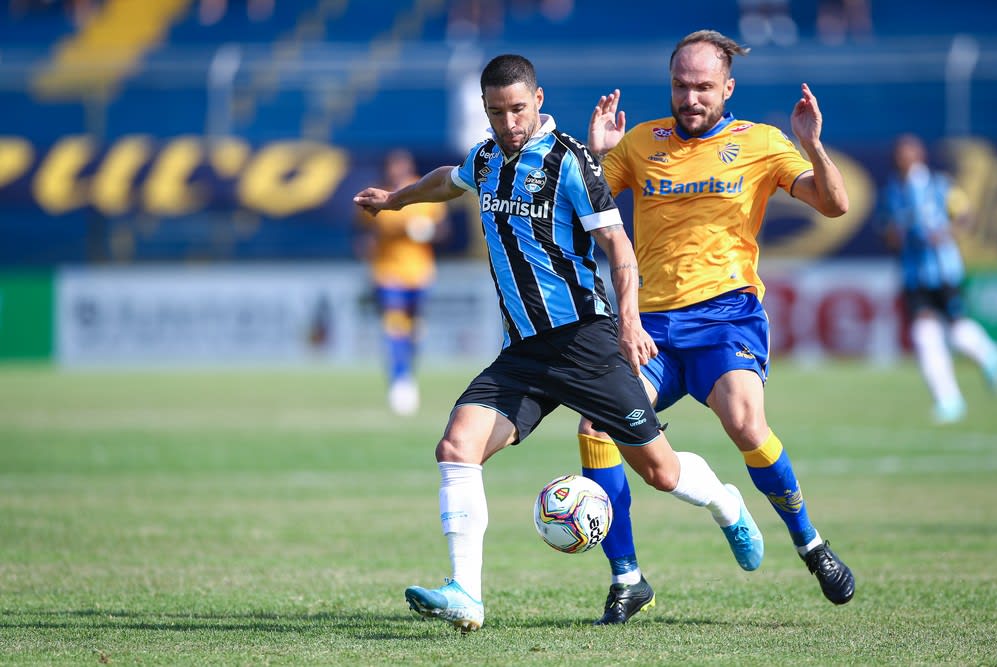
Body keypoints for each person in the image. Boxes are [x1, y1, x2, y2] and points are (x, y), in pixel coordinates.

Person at [354, 53, 763, 633]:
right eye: (496, 112)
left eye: (518, 109)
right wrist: (396, 199)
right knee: (456, 449)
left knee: (660, 472)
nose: (509, 122)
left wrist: (628, 322)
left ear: (538, 100)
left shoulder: (569, 160)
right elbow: (448, 179)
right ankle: (466, 594)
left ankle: (724, 502)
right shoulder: (488, 158)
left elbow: (620, 250)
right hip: (523, 351)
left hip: (585, 344)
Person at [578, 29, 856, 619]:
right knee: (597, 428)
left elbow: (834, 206)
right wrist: (593, 152)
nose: (691, 97)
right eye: (681, 85)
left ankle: (810, 543)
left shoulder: (760, 143)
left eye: (703, 86)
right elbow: (583, 211)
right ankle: (627, 578)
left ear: (727, 88)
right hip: (650, 324)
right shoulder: (640, 143)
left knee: (745, 422)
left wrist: (813, 146)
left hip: (726, 316)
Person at [879, 133, 997, 424]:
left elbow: (964, 215)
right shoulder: (892, 193)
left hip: (943, 271)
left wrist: (945, 232)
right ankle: (948, 400)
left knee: (958, 332)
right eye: (899, 152)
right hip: (913, 276)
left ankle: (990, 358)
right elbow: (887, 231)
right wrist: (894, 235)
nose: (903, 157)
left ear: (919, 154)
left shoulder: (939, 185)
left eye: (908, 151)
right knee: (924, 336)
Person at [355, 149, 448, 416]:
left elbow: (444, 231)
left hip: (419, 273)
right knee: (394, 327)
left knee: (414, 330)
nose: (396, 172)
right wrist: (366, 247)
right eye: (392, 167)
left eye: (401, 167)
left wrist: (427, 231)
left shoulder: (425, 194)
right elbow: (364, 231)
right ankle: (400, 380)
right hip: (387, 273)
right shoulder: (379, 195)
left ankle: (408, 373)